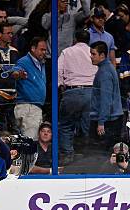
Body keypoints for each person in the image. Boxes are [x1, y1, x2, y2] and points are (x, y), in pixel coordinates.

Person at [57, 29, 96, 165]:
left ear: (75, 39)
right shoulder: (93, 52)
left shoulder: (67, 52)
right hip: (91, 92)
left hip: (72, 92)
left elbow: (58, 71)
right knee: (89, 127)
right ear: (88, 40)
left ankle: (67, 156)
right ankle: (89, 157)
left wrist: (61, 85)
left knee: (66, 125)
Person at [89, 41, 123, 151]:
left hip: (108, 121)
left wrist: (101, 122)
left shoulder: (104, 72)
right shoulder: (106, 68)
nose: (91, 57)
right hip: (110, 119)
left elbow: (106, 99)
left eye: (93, 54)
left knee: (102, 156)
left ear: (102, 55)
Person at [14, 37, 47, 141]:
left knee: (28, 142)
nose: (44, 52)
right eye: (42, 49)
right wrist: (19, 74)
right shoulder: (24, 61)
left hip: (33, 107)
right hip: (28, 107)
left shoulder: (41, 63)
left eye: (45, 50)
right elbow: (15, 72)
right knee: (30, 142)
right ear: (33, 48)